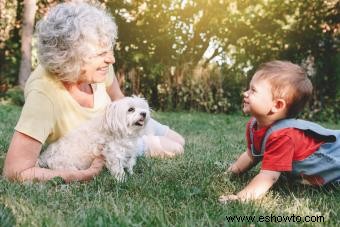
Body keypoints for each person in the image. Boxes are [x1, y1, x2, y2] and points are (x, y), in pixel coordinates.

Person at [2, 2, 185, 183]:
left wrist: (136, 125)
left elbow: (119, 99)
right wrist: (82, 175)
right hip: (110, 142)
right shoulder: (43, 97)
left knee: (179, 140)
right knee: (176, 148)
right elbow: (15, 172)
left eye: (109, 50)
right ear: (70, 58)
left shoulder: (99, 69)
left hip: (122, 125)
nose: (111, 59)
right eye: (100, 54)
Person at [219, 60, 340, 202]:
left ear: (277, 105)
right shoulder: (254, 125)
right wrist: (230, 173)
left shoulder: (283, 136)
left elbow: (268, 176)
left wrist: (241, 197)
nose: (245, 93)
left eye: (253, 90)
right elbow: (252, 155)